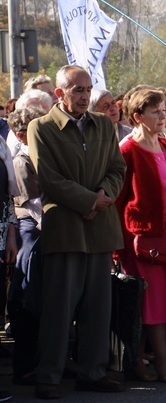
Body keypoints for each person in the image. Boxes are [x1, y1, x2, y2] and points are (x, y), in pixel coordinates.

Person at [28, 65, 126, 399]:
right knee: (59, 307)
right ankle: (50, 375)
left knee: (99, 308)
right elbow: (48, 178)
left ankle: (93, 372)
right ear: (60, 93)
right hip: (66, 227)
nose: (85, 96)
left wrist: (102, 197)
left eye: (88, 89)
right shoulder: (40, 128)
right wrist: (88, 201)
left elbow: (117, 168)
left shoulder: (102, 124)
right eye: (77, 90)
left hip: (100, 227)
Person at [116, 87, 166, 383]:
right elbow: (118, 201)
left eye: (164, 110)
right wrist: (118, 249)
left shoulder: (163, 144)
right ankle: (160, 363)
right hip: (143, 240)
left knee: (157, 305)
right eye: (156, 112)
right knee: (149, 305)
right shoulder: (127, 150)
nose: (163, 116)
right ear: (137, 117)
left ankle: (139, 361)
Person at [8, 107, 44, 387]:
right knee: (27, 296)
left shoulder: (38, 154)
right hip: (32, 230)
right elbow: (32, 205)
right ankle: (24, 366)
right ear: (21, 133)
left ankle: (40, 360)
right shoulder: (22, 160)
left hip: (42, 229)